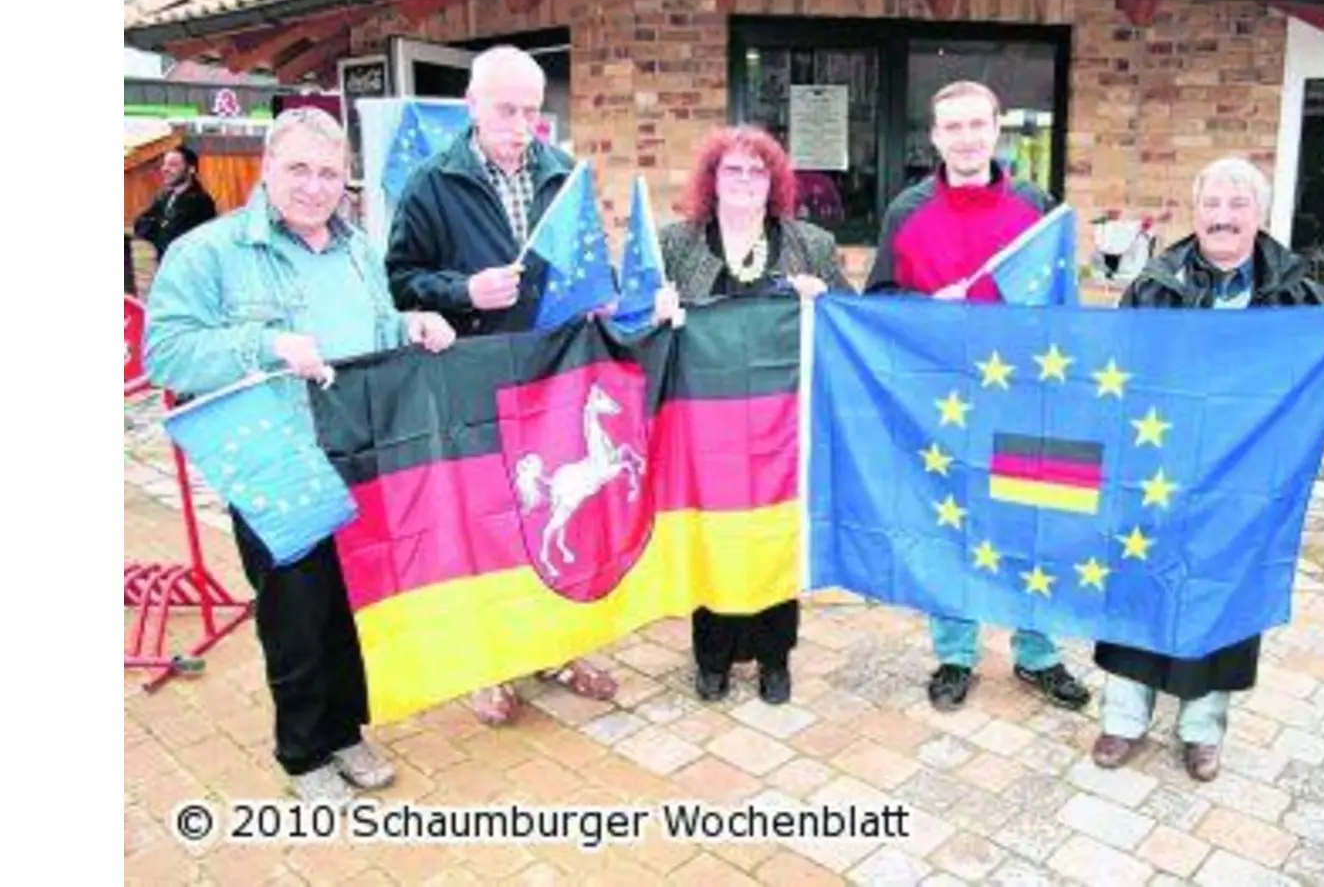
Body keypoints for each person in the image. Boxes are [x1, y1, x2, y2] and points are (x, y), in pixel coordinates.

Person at [143, 108, 457, 804]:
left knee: (346, 603)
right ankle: (304, 751)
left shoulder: (357, 249)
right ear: (266, 167)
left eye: (328, 172)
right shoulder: (211, 250)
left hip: (359, 448)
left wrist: (413, 325)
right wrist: (267, 345)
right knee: (295, 611)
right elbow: (163, 352)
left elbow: (374, 326)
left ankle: (346, 730)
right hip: (277, 458)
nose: (315, 187)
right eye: (299, 169)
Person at [1091, 156, 1324, 782]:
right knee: (1140, 590)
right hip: (1159, 473)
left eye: (1238, 206)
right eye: (1213, 205)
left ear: (1259, 215)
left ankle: (1202, 731)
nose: (1224, 217)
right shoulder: (1154, 283)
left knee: (1224, 603)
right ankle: (1122, 719)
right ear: (1197, 211)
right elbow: (1114, 374)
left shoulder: (1296, 293)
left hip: (1244, 487)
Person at [384, 45, 619, 724]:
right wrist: (463, 291)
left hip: (552, 383)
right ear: (473, 106)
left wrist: (596, 296)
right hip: (474, 383)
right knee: (485, 525)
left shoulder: (562, 175)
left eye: (531, 111)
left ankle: (559, 648)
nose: (520, 125)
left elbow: (586, 261)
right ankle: (490, 665)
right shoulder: (433, 182)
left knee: (554, 518)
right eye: (505, 109)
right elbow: (397, 283)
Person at [867, 80, 1092, 714]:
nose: (966, 138)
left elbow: (1061, 305)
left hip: (1025, 398)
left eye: (976, 125)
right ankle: (955, 653)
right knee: (950, 526)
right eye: (952, 127)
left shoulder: (1037, 205)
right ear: (935, 137)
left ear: (997, 130)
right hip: (944, 405)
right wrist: (928, 308)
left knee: (1033, 524)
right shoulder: (905, 211)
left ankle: (1038, 653)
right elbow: (880, 302)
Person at [657, 125, 844, 705]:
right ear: (712, 180)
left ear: (775, 181)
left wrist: (825, 299)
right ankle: (711, 655)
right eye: (731, 170)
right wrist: (653, 307)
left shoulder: (809, 243)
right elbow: (630, 312)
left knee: (771, 535)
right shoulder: (676, 243)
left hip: (779, 426)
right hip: (701, 427)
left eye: (756, 171)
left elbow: (848, 323)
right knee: (710, 533)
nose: (743, 181)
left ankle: (773, 657)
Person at [133, 146, 218, 260]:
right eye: (164, 164)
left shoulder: (199, 201)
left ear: (191, 169)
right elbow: (139, 224)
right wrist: (161, 225)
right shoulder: (164, 197)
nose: (165, 169)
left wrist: (158, 224)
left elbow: (171, 238)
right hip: (165, 266)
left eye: (173, 165)